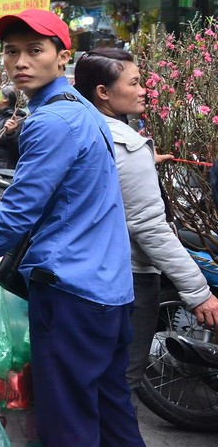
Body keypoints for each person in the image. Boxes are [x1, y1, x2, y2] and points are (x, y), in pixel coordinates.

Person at [0, 9, 143, 447]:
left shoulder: (51, 121)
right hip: (111, 289)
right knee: (113, 413)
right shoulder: (82, 109)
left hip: (70, 291)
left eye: (35, 50)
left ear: (61, 57)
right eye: (11, 51)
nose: (21, 61)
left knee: (67, 420)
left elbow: (19, 210)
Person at [73, 48, 218, 407]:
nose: (144, 91)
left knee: (95, 377)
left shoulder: (82, 128)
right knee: (123, 381)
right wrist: (198, 292)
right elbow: (150, 228)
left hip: (88, 271)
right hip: (132, 277)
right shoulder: (127, 145)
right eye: (135, 83)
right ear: (103, 92)